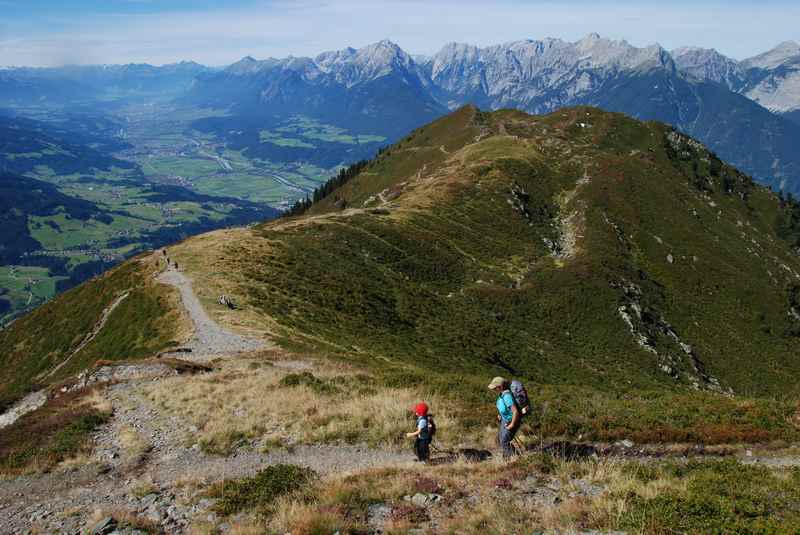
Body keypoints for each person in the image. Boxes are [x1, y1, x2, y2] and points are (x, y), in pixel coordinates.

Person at [488, 376, 520, 458]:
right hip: (504, 420)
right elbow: (505, 407)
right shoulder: (502, 394)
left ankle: (514, 459)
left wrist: (512, 425)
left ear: (501, 387)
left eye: (495, 387)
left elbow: (515, 411)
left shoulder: (507, 396)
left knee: (504, 441)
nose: (494, 389)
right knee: (501, 439)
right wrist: (500, 415)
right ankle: (509, 455)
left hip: (511, 421)